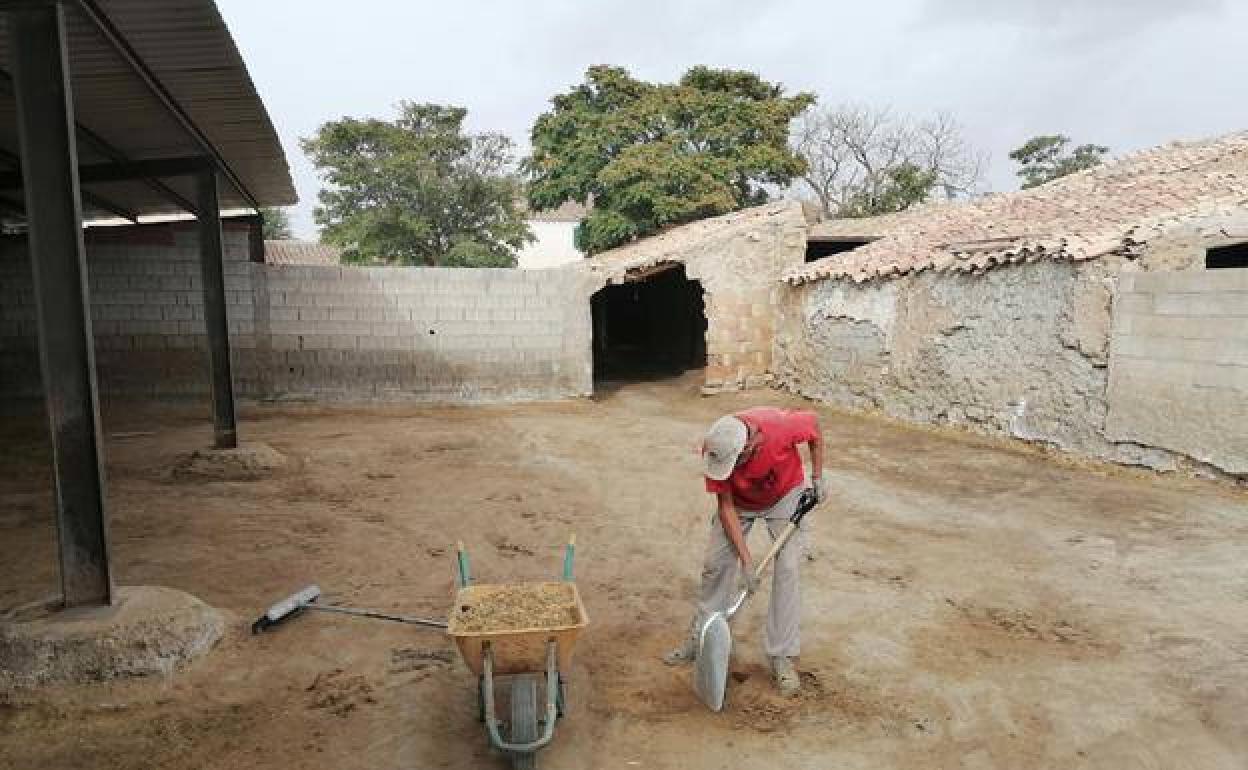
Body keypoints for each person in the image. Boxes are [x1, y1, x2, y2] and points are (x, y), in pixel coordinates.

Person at [664, 407, 825, 696]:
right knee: (715, 565)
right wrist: (747, 563)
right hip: (739, 504)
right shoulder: (717, 447)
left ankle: (782, 655)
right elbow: (726, 508)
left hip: (785, 497)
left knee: (788, 568)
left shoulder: (780, 426)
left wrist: (818, 477)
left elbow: (815, 429)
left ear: (750, 447)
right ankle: (701, 636)